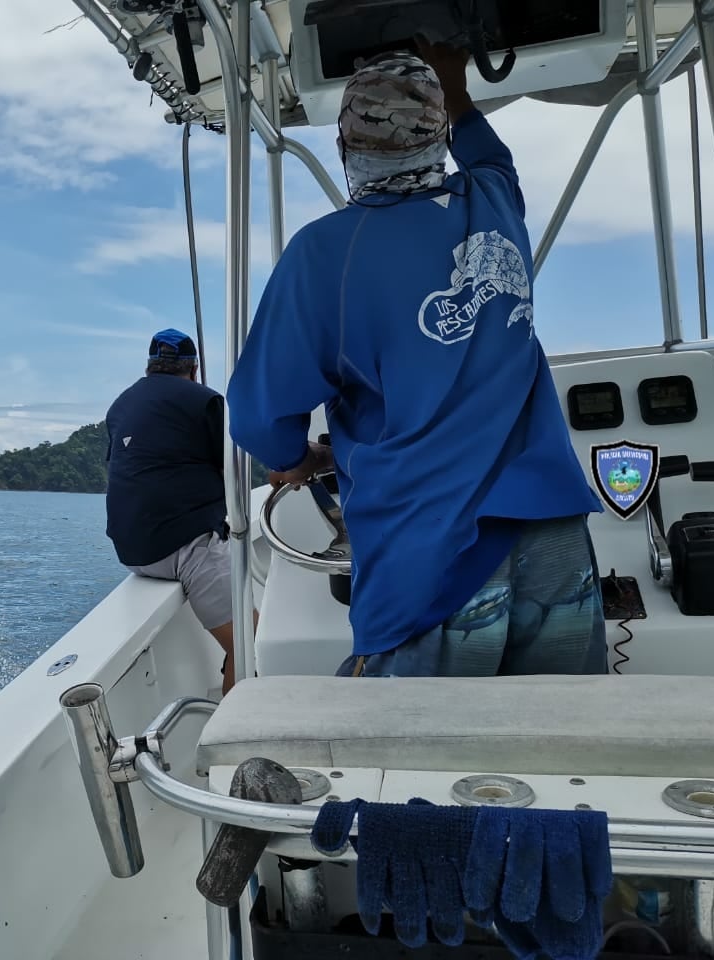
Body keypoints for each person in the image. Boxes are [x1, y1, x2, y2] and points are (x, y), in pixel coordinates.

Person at [226, 42, 607, 679]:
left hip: (431, 556)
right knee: (561, 745)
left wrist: (299, 462)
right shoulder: (495, 203)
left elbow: (259, 416)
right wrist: (453, 85)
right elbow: (489, 153)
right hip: (552, 533)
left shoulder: (324, 254)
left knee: (424, 760)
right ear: (440, 136)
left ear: (348, 149)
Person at [105, 328, 255, 693]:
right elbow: (232, 470)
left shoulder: (119, 405)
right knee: (249, 641)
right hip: (181, 547)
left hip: (131, 552)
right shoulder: (205, 400)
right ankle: (230, 739)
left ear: (150, 366)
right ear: (194, 368)